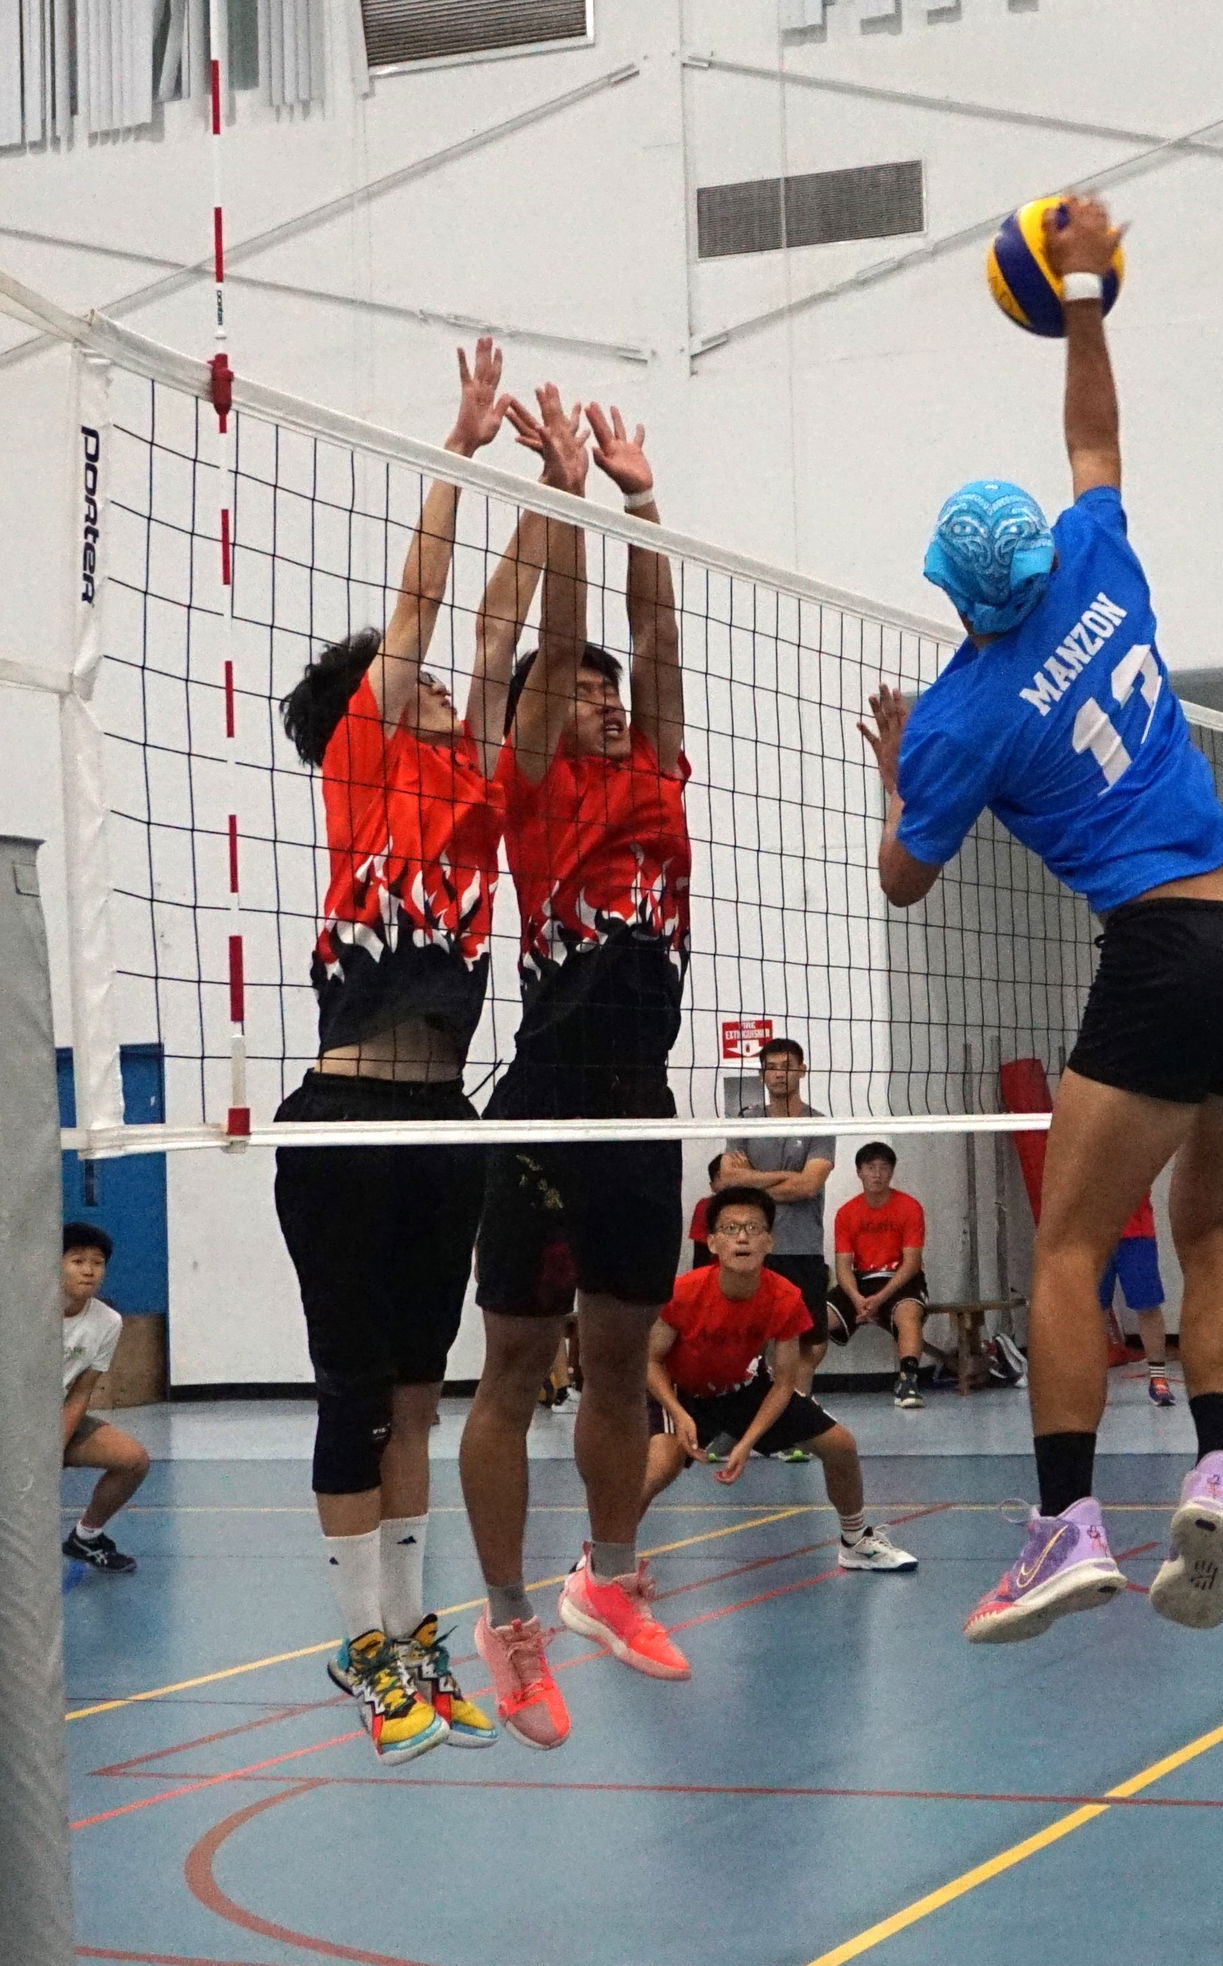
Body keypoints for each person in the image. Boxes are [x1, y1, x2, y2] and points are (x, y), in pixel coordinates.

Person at [861, 193, 1223, 1645]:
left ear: (954, 592)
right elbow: (1096, 441)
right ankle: (1221, 1474)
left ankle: (1063, 1524)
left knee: (1069, 1244)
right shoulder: (1102, 560)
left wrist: (896, 768)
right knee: (1216, 1225)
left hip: (1164, 955)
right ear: (1041, 561)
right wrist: (1089, 290)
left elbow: (905, 881)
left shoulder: (960, 715)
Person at [273, 340, 535, 1762]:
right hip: (347, 1117)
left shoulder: (472, 791)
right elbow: (430, 609)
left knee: (422, 1393)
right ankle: (361, 1644)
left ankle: (418, 1637)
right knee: (354, 1391)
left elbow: (495, 628)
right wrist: (460, 447)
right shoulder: (365, 751)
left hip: (448, 1119)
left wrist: (561, 496)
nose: (437, 687)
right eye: (412, 681)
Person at [465, 395, 695, 1741]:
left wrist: (639, 502)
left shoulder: (662, 780)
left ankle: (609, 1581)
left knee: (619, 1365)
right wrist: (559, 499)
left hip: (640, 1108)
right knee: (512, 1367)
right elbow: (554, 647)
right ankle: (507, 1621)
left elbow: (651, 635)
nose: (602, 694)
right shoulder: (535, 789)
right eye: (582, 689)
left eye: (611, 690)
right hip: (544, 1102)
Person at [642, 1187, 916, 1572]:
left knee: (840, 1445)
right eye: (731, 1228)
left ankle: (855, 1541)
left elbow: (785, 1380)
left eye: (753, 1228)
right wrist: (678, 1414)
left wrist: (747, 1442)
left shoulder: (784, 1297)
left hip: (742, 1387)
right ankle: (604, 1559)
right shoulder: (684, 1292)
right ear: (713, 1242)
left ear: (769, 1241)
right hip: (679, 1390)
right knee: (660, 1466)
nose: (742, 1237)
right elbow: (651, 1361)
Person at [722, 1037, 836, 1413]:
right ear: (762, 1074)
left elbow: (809, 1185)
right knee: (747, 1339)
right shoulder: (747, 1120)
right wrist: (782, 1178)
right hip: (752, 1249)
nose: (779, 1074)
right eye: (772, 1067)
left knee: (809, 1343)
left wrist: (753, 1178)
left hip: (802, 1247)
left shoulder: (819, 1124)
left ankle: (793, 1416)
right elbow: (726, 1179)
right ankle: (737, 1421)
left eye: (787, 1066)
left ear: (802, 1070)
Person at [60, 1224, 149, 1574]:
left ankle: (86, 1537)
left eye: (97, 1262)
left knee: (133, 1460)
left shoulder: (108, 1321)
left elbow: (82, 1389)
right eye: (77, 1260)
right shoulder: (23, 1311)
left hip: (57, 1416)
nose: (88, 1270)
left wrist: (57, 1443)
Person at [827, 1142, 930, 1409]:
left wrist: (880, 1298)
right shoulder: (847, 1213)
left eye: (884, 1168)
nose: (877, 1174)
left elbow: (911, 1263)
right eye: (870, 1168)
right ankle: (795, 1389)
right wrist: (858, 1298)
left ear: (892, 1172)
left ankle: (908, 1381)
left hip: (900, 1279)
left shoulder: (909, 1207)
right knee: (813, 1319)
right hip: (860, 1282)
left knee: (908, 1313)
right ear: (859, 1172)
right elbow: (843, 1266)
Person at [1100, 1193, 1176, 1406]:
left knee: (1148, 1305)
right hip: (1094, 1232)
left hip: (1136, 1231)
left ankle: (1158, 1378)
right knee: (1094, 1308)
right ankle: (1095, 1381)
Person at [689, 1154, 723, 1268]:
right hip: (712, 1275)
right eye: (719, 1175)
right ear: (712, 1185)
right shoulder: (705, 1206)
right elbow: (700, 1256)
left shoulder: (754, 1208)